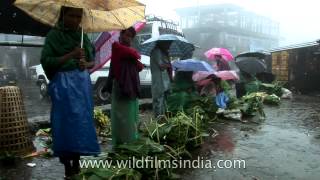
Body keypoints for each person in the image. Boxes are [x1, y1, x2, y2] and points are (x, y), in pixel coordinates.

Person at [40, 6, 100, 179]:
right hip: (62, 85)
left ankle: (77, 162)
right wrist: (71, 55)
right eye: (71, 16)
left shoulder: (83, 36)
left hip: (81, 86)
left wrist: (85, 64)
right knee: (64, 123)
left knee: (81, 122)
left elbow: (92, 61)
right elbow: (47, 62)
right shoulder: (54, 36)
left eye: (78, 16)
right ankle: (67, 165)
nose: (75, 20)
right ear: (63, 15)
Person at [109, 27, 144, 145]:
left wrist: (135, 60)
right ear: (121, 35)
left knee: (131, 115)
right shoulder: (116, 47)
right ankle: (122, 141)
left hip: (131, 87)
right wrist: (135, 57)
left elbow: (140, 67)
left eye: (131, 37)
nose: (129, 39)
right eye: (127, 35)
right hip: (121, 87)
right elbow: (135, 54)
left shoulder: (126, 50)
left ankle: (130, 139)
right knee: (121, 116)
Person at [150, 41, 172, 118]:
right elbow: (162, 66)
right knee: (158, 100)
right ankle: (158, 119)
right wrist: (169, 64)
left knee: (164, 100)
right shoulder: (156, 51)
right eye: (168, 43)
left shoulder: (163, 52)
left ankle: (164, 117)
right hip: (158, 79)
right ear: (162, 43)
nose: (169, 45)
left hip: (164, 80)